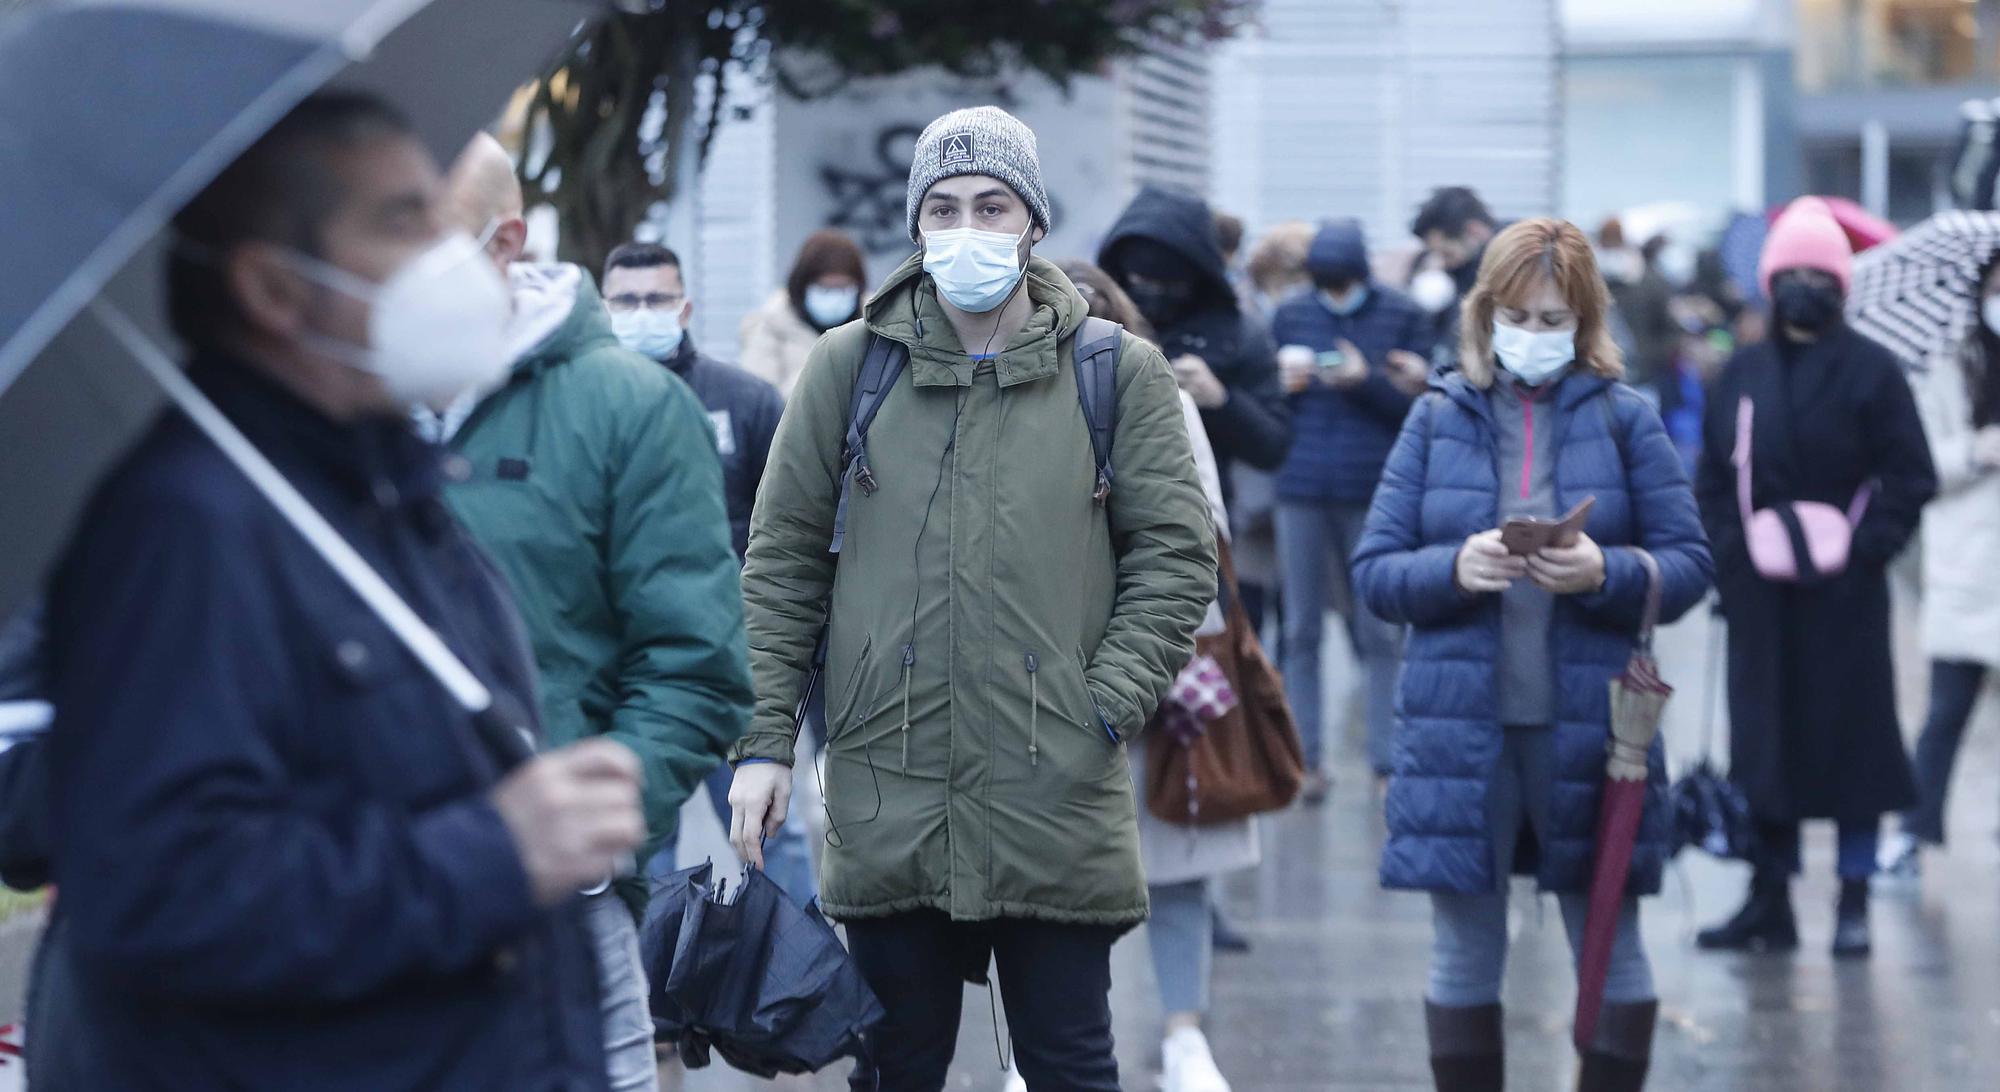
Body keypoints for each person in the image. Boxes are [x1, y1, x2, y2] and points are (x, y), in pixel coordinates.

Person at [35, 93, 639, 1090]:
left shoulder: (378, 490)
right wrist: (492, 852)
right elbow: (163, 893)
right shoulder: (184, 527)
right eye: (403, 222)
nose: (447, 254)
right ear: (275, 289)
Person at [726, 106, 1216, 1092]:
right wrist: (765, 742)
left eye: (990, 205)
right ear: (913, 225)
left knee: (1069, 1062)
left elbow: (1175, 556)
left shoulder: (1114, 373)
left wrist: (1100, 702)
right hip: (887, 781)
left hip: (1052, 781)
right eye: (941, 208)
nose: (965, 229)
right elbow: (780, 565)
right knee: (892, 1065)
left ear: (1031, 221)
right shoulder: (848, 366)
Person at [1352, 219, 1713, 1091]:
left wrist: (1606, 571)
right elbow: (1376, 571)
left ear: (1585, 321)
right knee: (1464, 951)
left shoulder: (1627, 419)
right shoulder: (1435, 416)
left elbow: (1691, 563)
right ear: (1486, 313)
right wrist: (1453, 568)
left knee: (1612, 944)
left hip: (1595, 732)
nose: (1536, 336)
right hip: (1459, 729)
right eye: (1520, 315)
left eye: (1555, 320)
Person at [435, 135, 755, 1089]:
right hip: (366, 900)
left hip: (556, 912)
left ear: (506, 243)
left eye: (425, 239)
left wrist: (593, 829)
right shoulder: (334, 409)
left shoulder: (630, 409)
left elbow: (696, 668)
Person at [1693, 197, 1936, 958]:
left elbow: (1910, 474)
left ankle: (1853, 900)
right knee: (1764, 749)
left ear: (1841, 283)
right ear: (1770, 281)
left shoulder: (1874, 371)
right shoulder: (1742, 371)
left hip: (1846, 598)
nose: (1804, 284)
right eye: (1790, 271)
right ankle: (1769, 898)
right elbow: (1709, 478)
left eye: (1818, 272)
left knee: (1854, 750)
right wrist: (1732, 563)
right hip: (1760, 598)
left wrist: (1865, 548)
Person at [1060, 258, 1247, 1092]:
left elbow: (1203, 531)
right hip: (1045, 681)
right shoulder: (996, 402)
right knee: (1050, 880)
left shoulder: (1160, 398)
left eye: (1098, 312)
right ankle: (1053, 1044)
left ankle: (1184, 1034)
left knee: (1177, 858)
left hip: (1160, 671)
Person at [598, 240, 814, 905]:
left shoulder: (743, 402)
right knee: (634, 838)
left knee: (769, 829)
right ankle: (642, 993)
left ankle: (802, 979)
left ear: (684, 304)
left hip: (732, 666)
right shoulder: (585, 405)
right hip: (626, 675)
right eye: (626, 301)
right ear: (604, 310)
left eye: (656, 298)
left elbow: (793, 531)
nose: (642, 312)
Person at [1271, 219, 1434, 796]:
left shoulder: (1403, 314)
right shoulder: (1290, 315)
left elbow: (1416, 410)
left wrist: (1365, 382)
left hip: (1374, 488)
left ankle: (1387, 763)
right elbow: (1268, 402)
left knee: (1381, 629)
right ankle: (1307, 762)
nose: (1335, 296)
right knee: (1301, 631)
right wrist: (1281, 384)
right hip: (1301, 485)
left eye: (1343, 284)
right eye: (1326, 285)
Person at [1881, 256, 2000, 878]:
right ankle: (1914, 833)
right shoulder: (1950, 363)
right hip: (1969, 561)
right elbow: (1920, 460)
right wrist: (1979, 450)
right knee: (1948, 707)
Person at [1098, 186, 1293, 501]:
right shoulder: (1095, 323)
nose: (1154, 294)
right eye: (1141, 282)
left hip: (1198, 509)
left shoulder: (1238, 334)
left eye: (1170, 284)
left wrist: (1221, 400)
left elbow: (1272, 447)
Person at [739, 227, 869, 399]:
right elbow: (758, 400)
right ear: (802, 286)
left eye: (843, 288)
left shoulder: (877, 325)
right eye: (824, 288)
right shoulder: (771, 326)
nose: (833, 299)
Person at [1411, 186, 1499, 368]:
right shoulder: (1453, 269)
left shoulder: (1515, 265)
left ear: (1474, 231)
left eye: (1447, 253)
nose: (1441, 262)